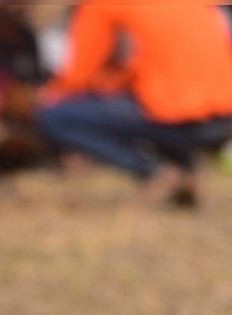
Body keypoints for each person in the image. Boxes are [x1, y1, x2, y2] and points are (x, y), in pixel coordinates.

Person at [36, 1, 232, 206]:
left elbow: (79, 74)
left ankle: (154, 171)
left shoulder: (100, 4)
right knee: (154, 101)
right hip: (224, 113)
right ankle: (187, 174)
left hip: (178, 115)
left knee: (56, 116)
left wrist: (47, 96)